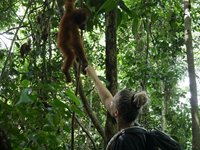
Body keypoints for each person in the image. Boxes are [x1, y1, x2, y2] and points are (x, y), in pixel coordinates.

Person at [85, 66, 149, 150]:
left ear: (116, 113)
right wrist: (94, 77)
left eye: (113, 102)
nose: (110, 102)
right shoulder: (139, 131)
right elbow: (106, 98)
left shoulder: (124, 142)